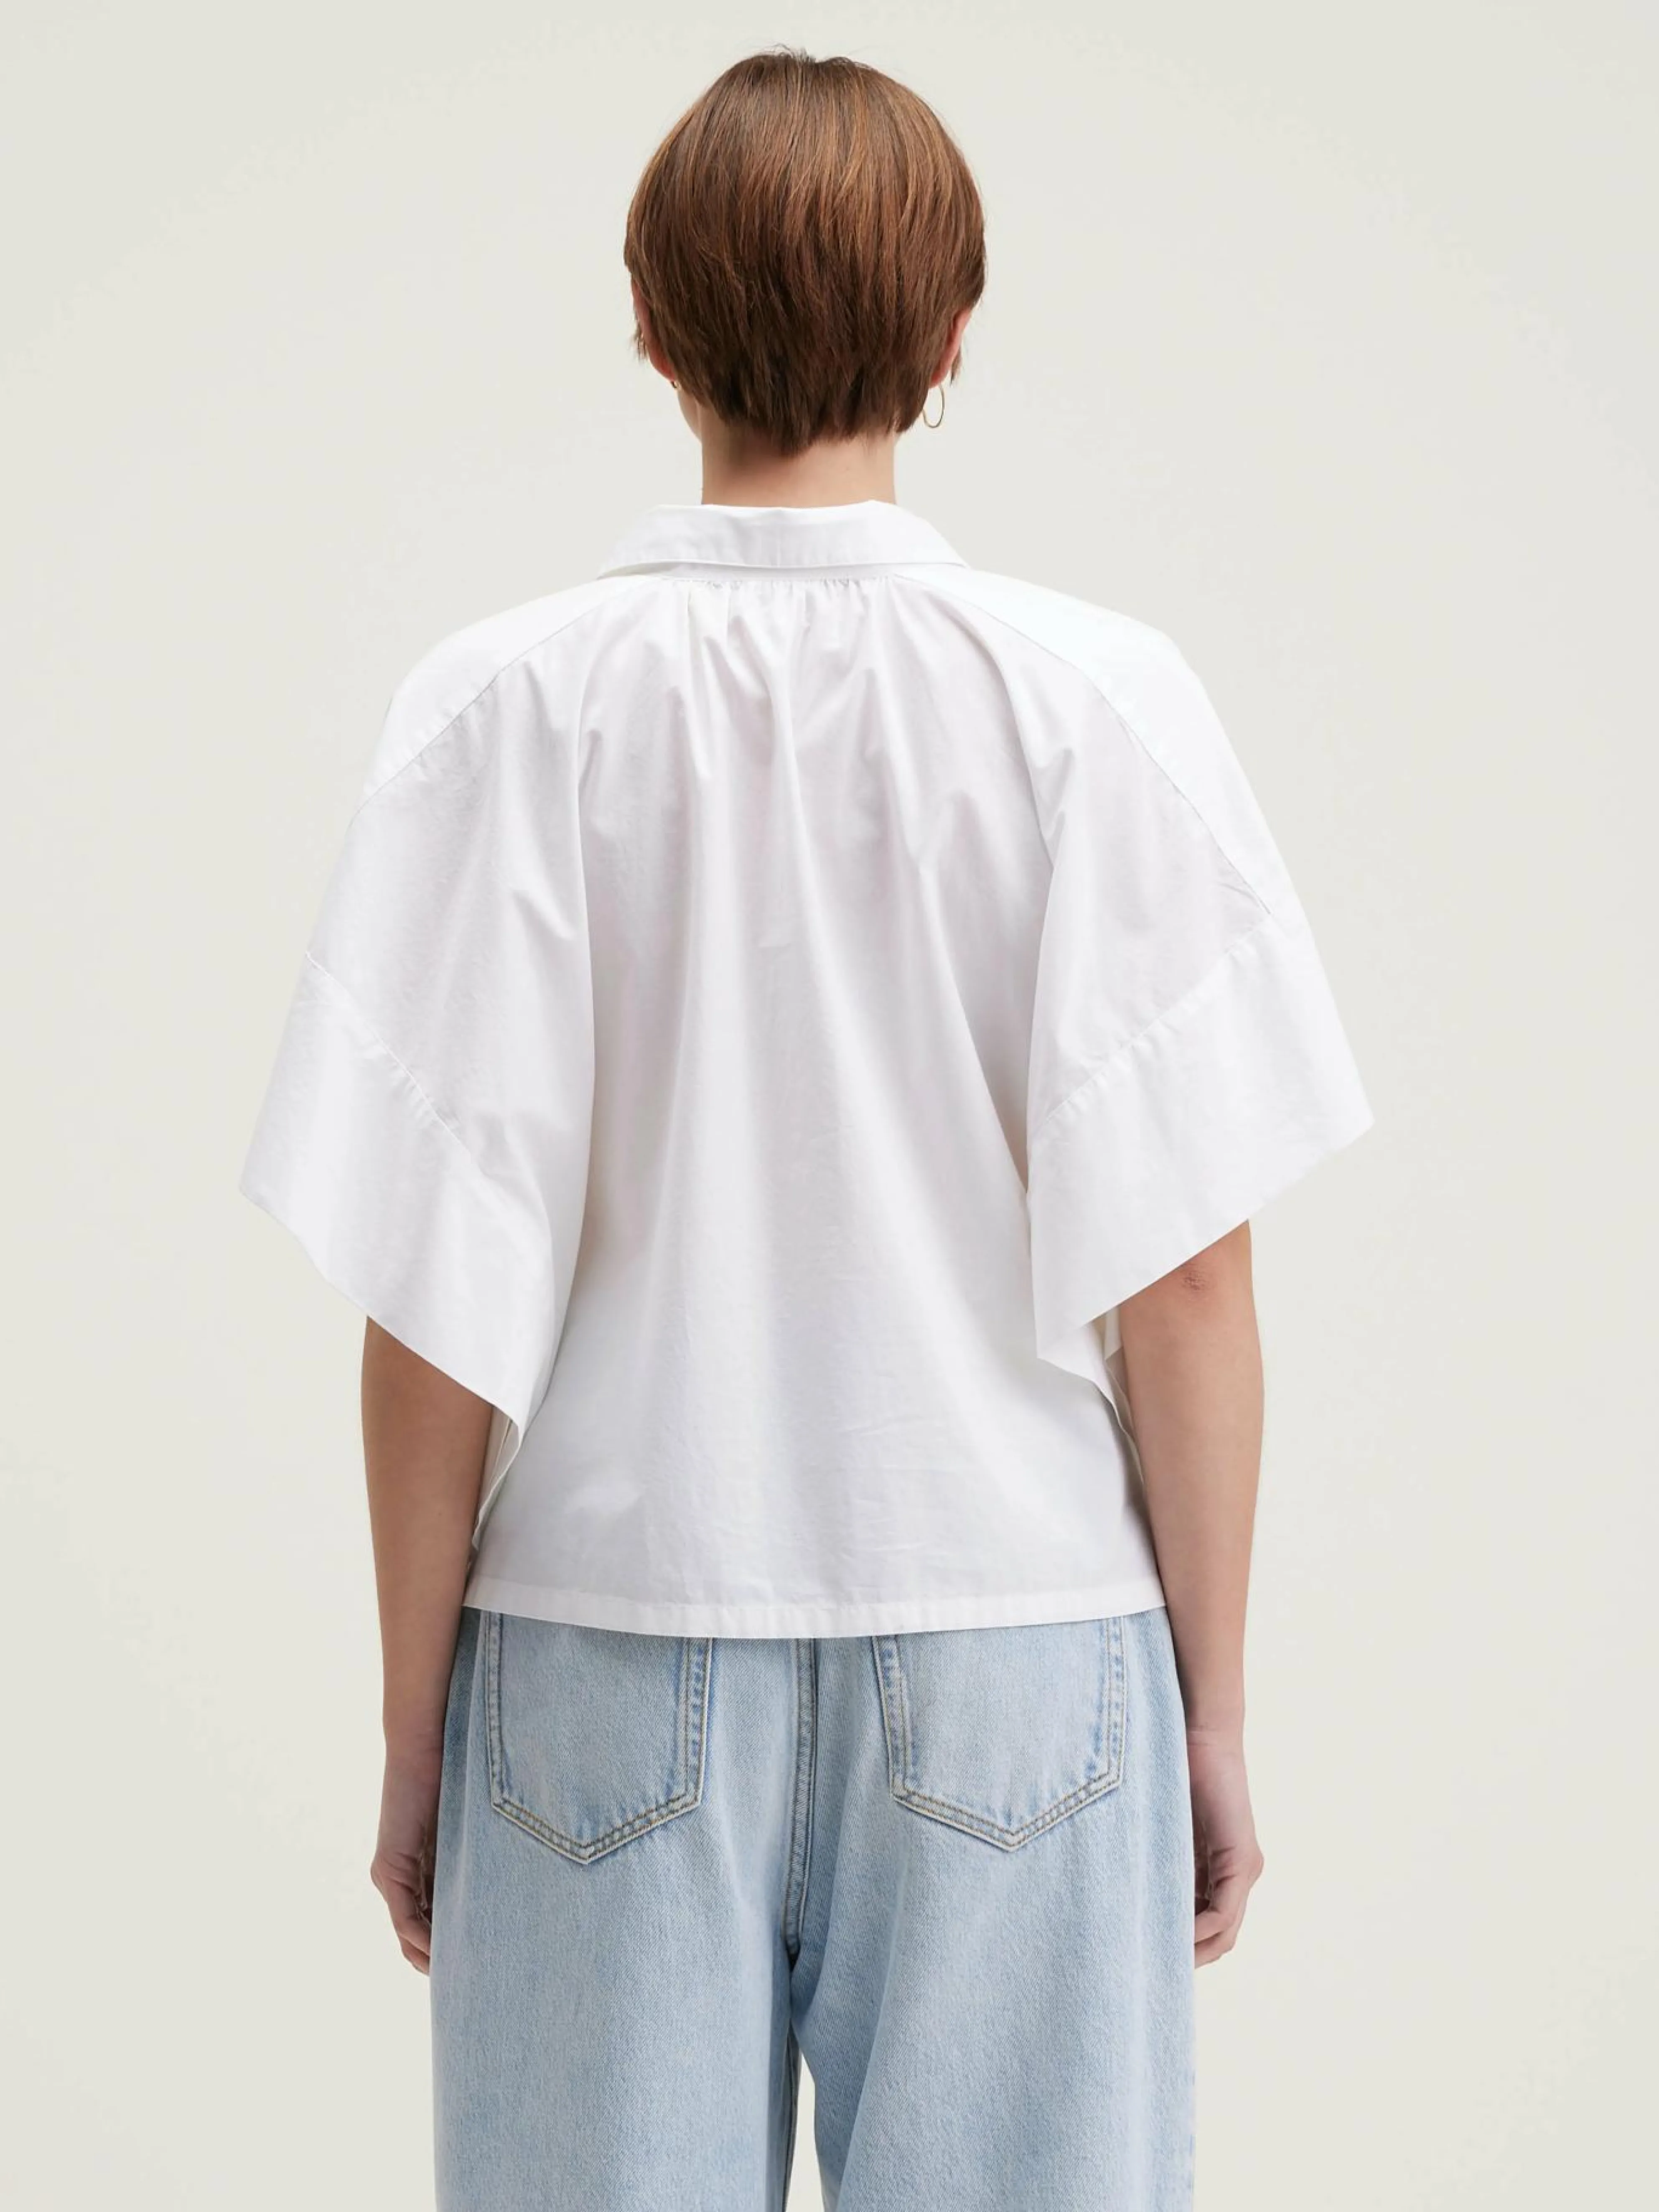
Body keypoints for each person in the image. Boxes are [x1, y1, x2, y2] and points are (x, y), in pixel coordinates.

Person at [240, 46, 1373, 2212]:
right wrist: (1213, 1713)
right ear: (954, 336)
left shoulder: (505, 709)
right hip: (1025, 1635)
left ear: (649, 325)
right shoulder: (1097, 704)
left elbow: (435, 1291)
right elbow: (1188, 1272)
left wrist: (416, 1728)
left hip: (598, 1632)